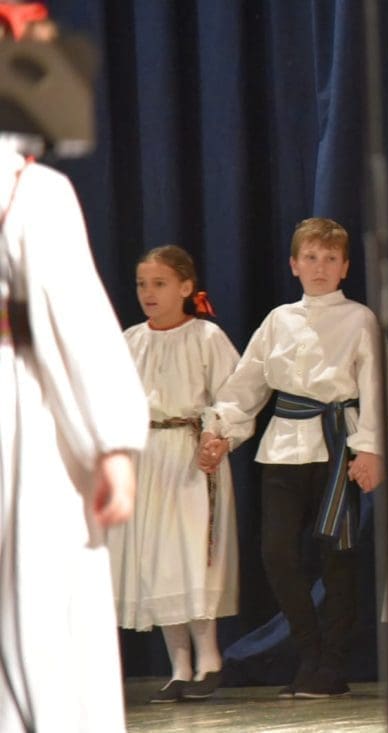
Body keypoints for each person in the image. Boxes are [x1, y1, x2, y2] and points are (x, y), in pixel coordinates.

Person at [198, 217, 388, 698]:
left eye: (330, 259)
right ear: (294, 264)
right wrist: (222, 429)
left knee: (337, 557)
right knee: (277, 552)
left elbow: (378, 386)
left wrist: (371, 448)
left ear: (345, 267)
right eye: (310, 257)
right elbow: (248, 383)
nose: (320, 267)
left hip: (337, 448)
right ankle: (309, 652)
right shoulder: (278, 320)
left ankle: (331, 667)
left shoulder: (360, 319)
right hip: (284, 447)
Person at [0, 136, 148, 731]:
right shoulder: (31, 192)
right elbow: (72, 318)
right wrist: (112, 442)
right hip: (20, 410)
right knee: (41, 595)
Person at [108, 245, 242, 703]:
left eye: (159, 284)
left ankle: (209, 658)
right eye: (142, 284)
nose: (148, 292)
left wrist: (218, 435)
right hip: (147, 456)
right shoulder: (131, 340)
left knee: (191, 552)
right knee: (157, 557)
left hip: (190, 452)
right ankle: (179, 666)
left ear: (186, 287)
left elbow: (234, 395)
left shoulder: (206, 337)